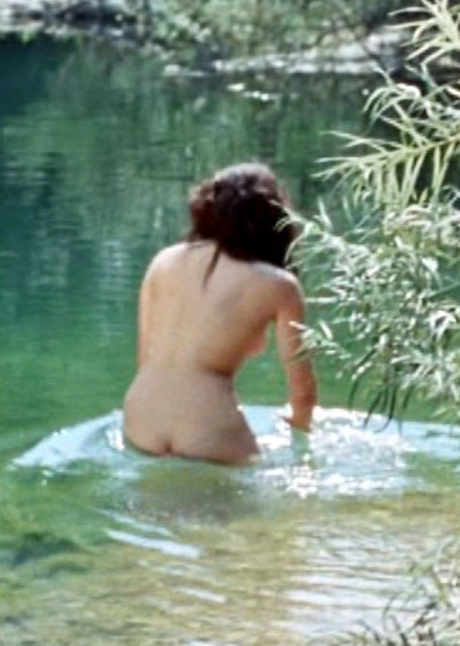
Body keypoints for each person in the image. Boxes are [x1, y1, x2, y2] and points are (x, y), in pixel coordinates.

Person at [123, 162, 318, 464]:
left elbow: (143, 360)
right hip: (207, 425)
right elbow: (302, 393)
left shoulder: (163, 261)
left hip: (140, 417)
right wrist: (300, 434)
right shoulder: (279, 285)